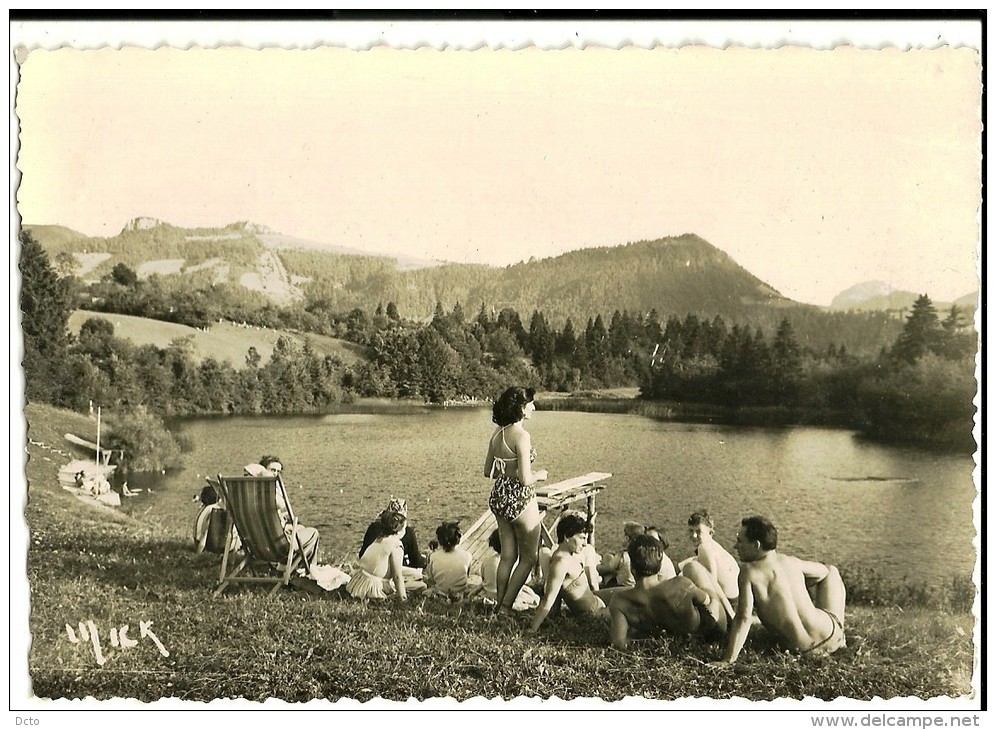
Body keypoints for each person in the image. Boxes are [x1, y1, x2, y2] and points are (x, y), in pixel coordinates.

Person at [712, 516, 847, 666]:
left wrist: (728, 660)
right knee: (832, 570)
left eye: (740, 541)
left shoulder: (748, 571)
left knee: (829, 571)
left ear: (756, 545)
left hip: (804, 650)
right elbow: (824, 572)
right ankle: (843, 641)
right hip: (833, 636)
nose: (735, 547)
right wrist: (797, 584)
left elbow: (743, 618)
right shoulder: (791, 561)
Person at [484, 386, 548, 616]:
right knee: (529, 558)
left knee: (508, 555)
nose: (534, 407)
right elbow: (525, 478)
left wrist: (506, 470)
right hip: (520, 499)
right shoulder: (522, 435)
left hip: (499, 496)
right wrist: (540, 475)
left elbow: (487, 472)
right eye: (531, 403)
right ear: (521, 408)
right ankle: (505, 607)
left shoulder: (498, 434)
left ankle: (499, 605)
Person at [609, 534, 733, 651]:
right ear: (659, 565)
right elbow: (705, 600)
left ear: (632, 568)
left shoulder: (620, 600)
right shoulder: (680, 585)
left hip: (675, 637)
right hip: (709, 632)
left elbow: (619, 643)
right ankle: (732, 617)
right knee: (692, 567)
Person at [530, 514, 609, 631]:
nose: (585, 543)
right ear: (567, 536)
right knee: (632, 606)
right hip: (595, 612)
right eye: (582, 538)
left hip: (596, 600)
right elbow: (549, 599)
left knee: (629, 591)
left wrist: (556, 613)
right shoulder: (560, 563)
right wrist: (533, 629)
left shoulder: (570, 555)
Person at [244, 455, 320, 564]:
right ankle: (309, 570)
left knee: (300, 528)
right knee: (313, 533)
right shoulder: (270, 495)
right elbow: (282, 505)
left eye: (278, 472)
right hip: (278, 546)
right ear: (264, 470)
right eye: (272, 470)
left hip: (257, 546)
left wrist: (284, 527)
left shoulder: (248, 495)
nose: (275, 474)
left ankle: (288, 567)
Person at [347, 510, 424, 601]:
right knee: (421, 585)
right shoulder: (396, 545)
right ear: (399, 530)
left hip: (359, 581)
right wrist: (403, 598)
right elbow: (397, 576)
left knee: (414, 575)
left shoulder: (380, 538)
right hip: (373, 586)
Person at [686, 510, 740, 605]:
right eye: (691, 530)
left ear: (711, 533)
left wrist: (730, 614)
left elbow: (712, 586)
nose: (694, 536)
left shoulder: (703, 548)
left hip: (726, 603)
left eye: (698, 531)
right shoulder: (716, 547)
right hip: (736, 600)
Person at [479, 529, 541, 610]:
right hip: (510, 597)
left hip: (491, 594)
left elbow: (484, 578)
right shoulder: (517, 562)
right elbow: (526, 580)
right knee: (531, 596)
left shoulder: (487, 561)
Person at [359, 498, 426, 570]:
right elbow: (415, 561)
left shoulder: (374, 527)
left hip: (371, 568)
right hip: (394, 570)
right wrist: (426, 561)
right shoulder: (408, 532)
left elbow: (362, 554)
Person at [423, 522, 473, 600]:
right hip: (460, 592)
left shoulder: (434, 556)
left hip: (441, 592)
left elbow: (431, 579)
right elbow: (467, 575)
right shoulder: (467, 556)